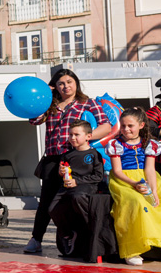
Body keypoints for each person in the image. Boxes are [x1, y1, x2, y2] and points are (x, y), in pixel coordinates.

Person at [25, 69, 111, 255]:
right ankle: (36, 238)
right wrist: (45, 94)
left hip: (76, 159)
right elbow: (34, 121)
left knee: (73, 199)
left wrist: (85, 140)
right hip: (52, 159)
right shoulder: (49, 104)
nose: (66, 86)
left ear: (76, 83)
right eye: (61, 83)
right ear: (55, 86)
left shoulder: (87, 103)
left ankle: (80, 238)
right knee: (47, 203)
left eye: (69, 82)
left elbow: (106, 126)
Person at [107, 108, 161, 265]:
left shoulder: (149, 143)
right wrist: (134, 184)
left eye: (130, 126)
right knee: (137, 203)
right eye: (123, 126)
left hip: (147, 177)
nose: (126, 129)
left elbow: (150, 169)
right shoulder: (116, 144)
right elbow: (117, 171)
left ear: (141, 125)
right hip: (124, 180)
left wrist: (154, 191)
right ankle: (133, 249)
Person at [48, 121, 116, 262]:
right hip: (66, 187)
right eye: (70, 135)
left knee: (77, 197)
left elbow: (98, 176)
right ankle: (68, 235)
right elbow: (63, 173)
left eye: (76, 135)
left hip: (86, 186)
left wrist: (77, 181)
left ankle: (90, 230)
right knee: (52, 209)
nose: (72, 138)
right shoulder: (67, 155)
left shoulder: (94, 154)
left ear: (88, 136)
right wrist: (61, 173)